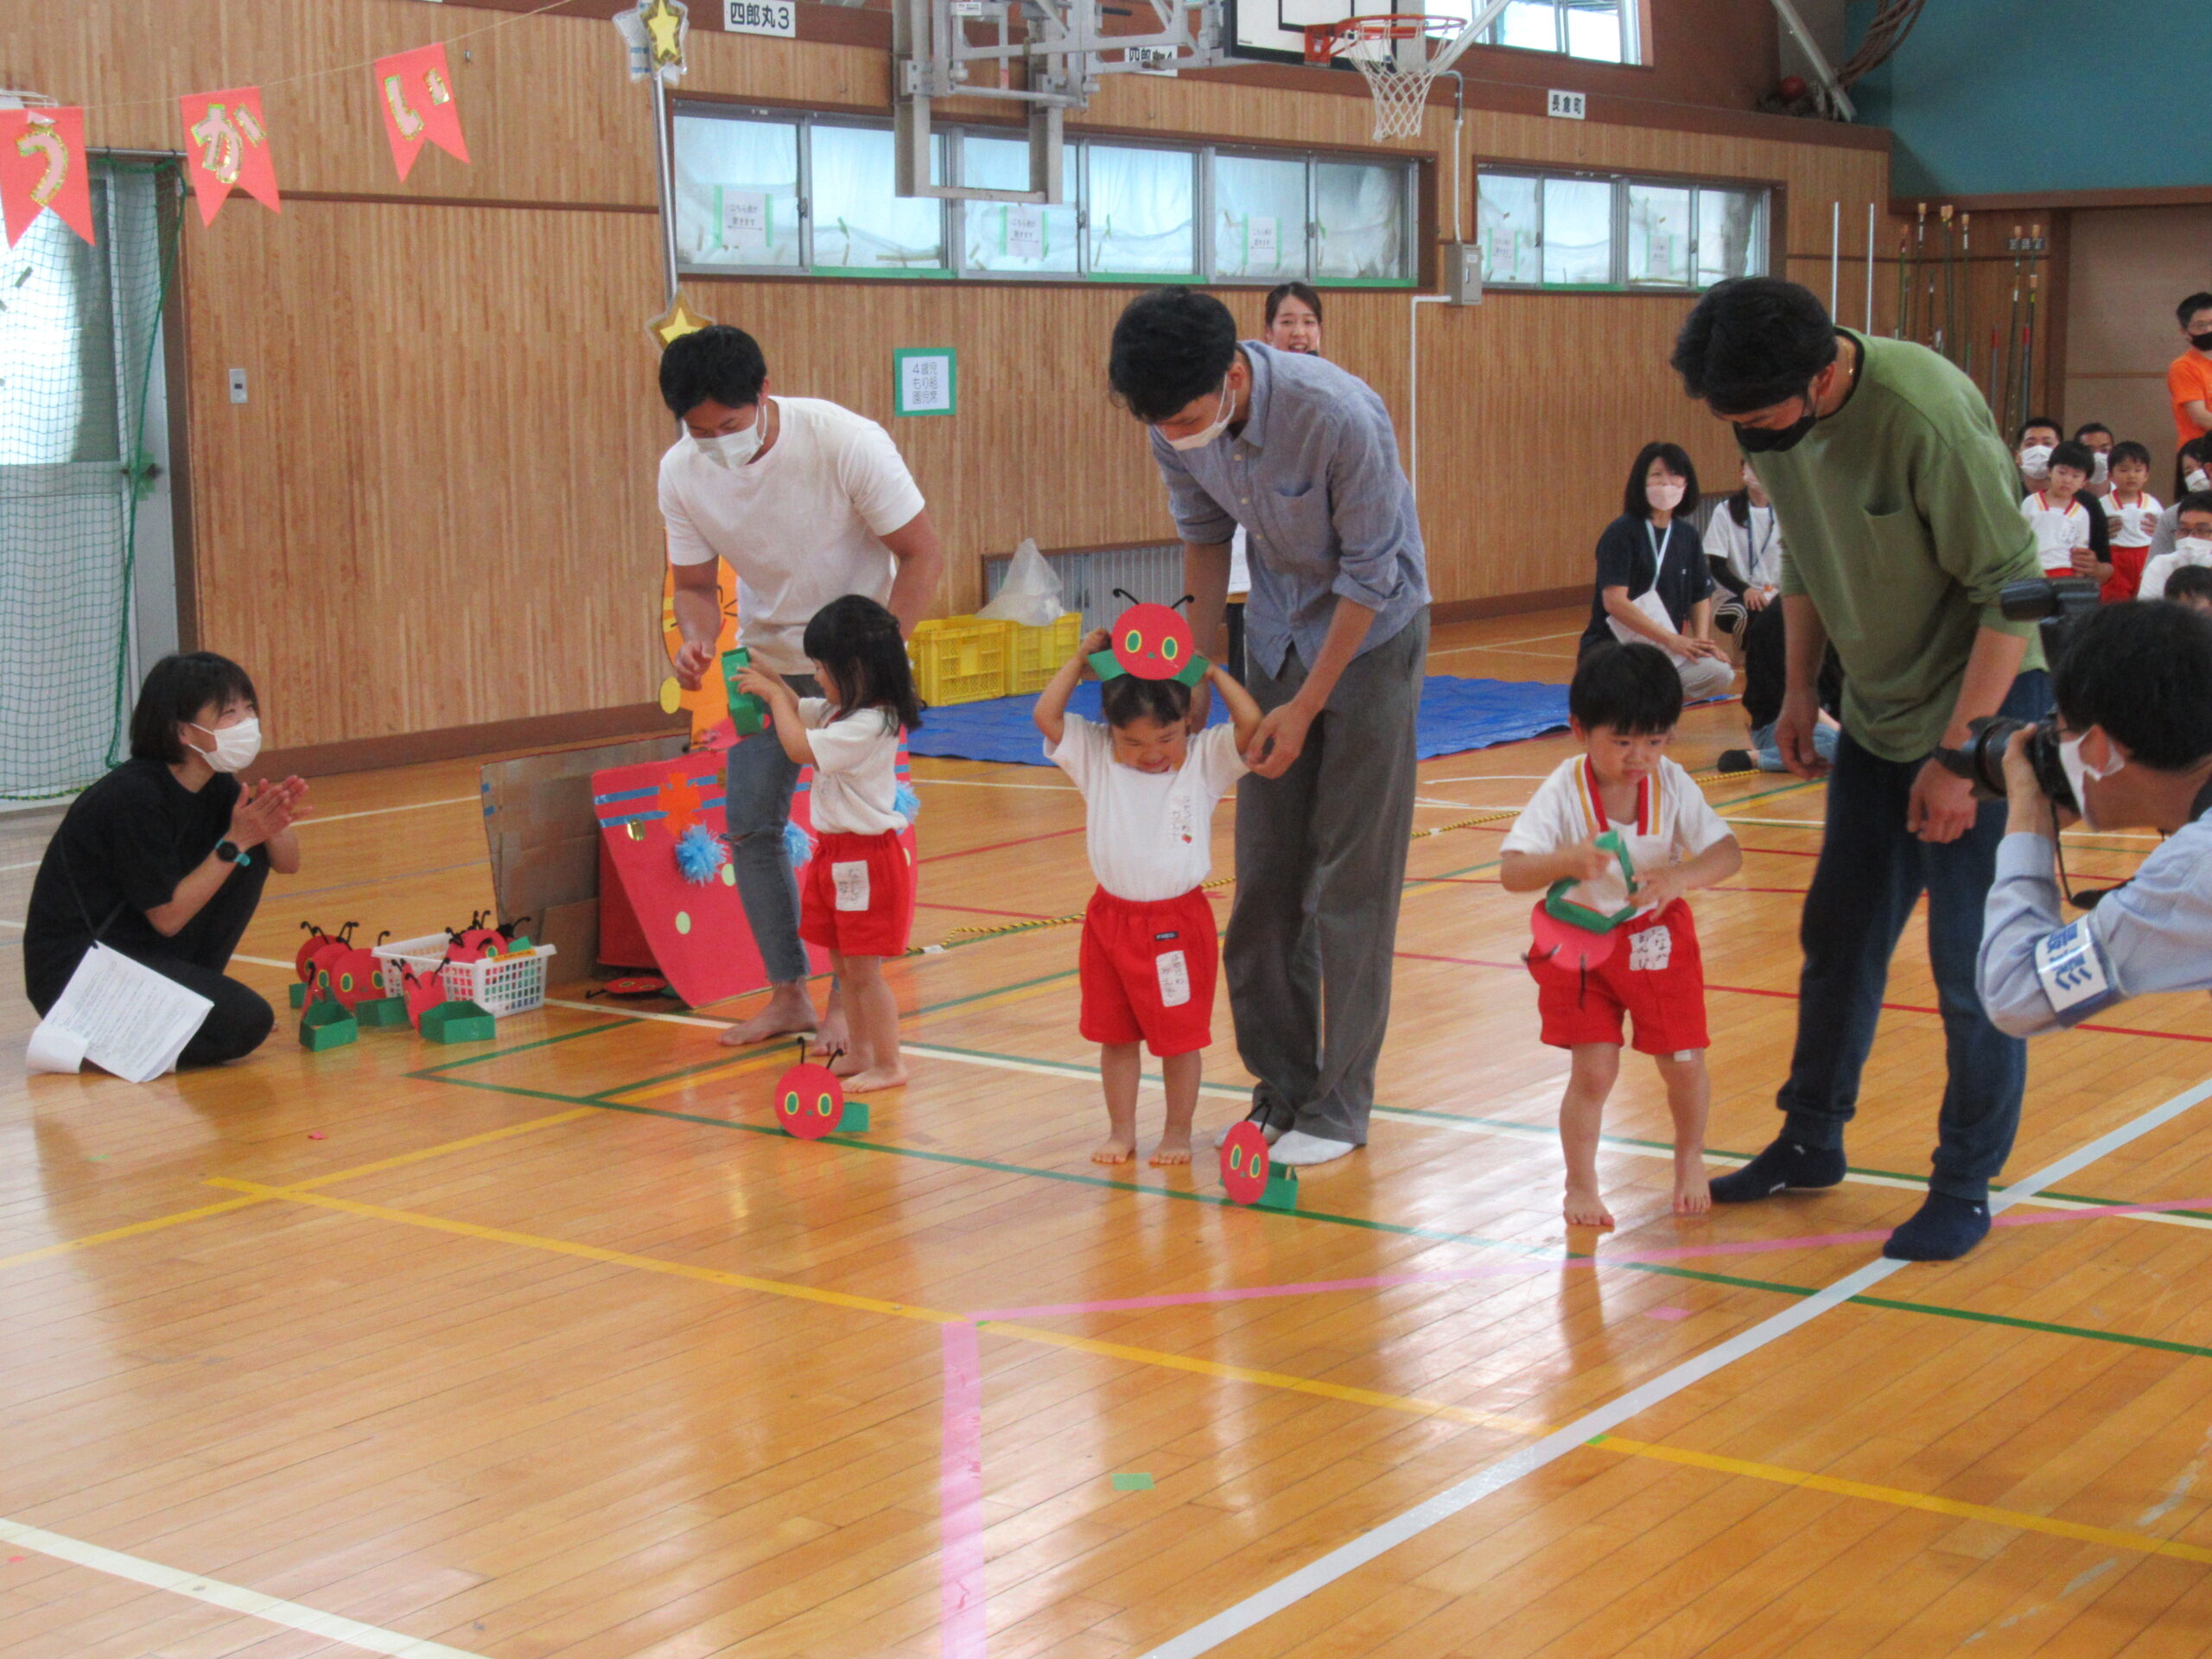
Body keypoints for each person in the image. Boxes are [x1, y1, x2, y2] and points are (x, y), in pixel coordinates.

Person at [1672, 276, 2050, 1262]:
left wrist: (1962, 757)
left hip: (1991, 711)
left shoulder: (1925, 416)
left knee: (1975, 969)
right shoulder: (1771, 419)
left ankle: (1963, 1181)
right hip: (1878, 718)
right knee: (1836, 939)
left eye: (1757, 417)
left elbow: (2018, 595)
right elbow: (1805, 552)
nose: (1749, 436)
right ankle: (1810, 1138)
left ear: (1825, 374)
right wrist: (1797, 689)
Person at [1109, 286, 1430, 1169]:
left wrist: (1305, 705)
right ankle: (1279, 1087)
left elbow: (1373, 576)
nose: (1174, 436)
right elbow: (1205, 539)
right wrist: (1198, 674)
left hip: (1372, 638)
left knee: (1351, 881)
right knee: (1265, 876)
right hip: (1278, 630)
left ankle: (1338, 1106)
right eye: (1158, 423)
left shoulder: (1336, 416)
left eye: (1185, 416)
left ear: (1230, 376)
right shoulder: (1169, 421)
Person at [658, 325, 944, 1052]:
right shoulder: (680, 472)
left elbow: (920, 552)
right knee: (751, 824)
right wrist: (698, 639)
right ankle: (788, 995)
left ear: (763, 392)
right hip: (766, 664)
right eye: (699, 431)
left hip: (852, 670)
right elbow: (693, 584)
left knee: (849, 835)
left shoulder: (844, 440)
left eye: (729, 425)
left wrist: (879, 665)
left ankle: (848, 1004)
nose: (716, 442)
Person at [1501, 643, 1742, 1229]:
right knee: (1594, 1072)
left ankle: (1689, 1157)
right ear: (1581, 729)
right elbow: (1511, 872)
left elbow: (1727, 852)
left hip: (1656, 940)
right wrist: (1565, 861)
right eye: (1624, 742)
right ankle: (1580, 1184)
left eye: (1655, 742)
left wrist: (1681, 877)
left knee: (1683, 1063)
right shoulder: (1563, 789)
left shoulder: (1673, 783)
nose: (1640, 757)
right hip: (1579, 945)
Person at [1032, 629, 1262, 1166]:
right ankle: (1122, 1131)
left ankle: (1178, 1132)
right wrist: (1080, 658)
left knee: (1179, 1039)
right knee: (1115, 1036)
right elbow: (1046, 717)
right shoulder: (1093, 754)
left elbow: (1251, 724)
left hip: (1175, 924)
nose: (1151, 754)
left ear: (1187, 723)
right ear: (1109, 733)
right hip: (1110, 921)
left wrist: (1210, 673)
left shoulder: (1203, 759)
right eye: (1132, 742)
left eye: (1165, 738)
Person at [22, 653, 308, 1068]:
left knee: (249, 856)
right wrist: (236, 841)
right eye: (229, 713)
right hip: (79, 974)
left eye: (249, 710)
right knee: (247, 1022)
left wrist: (272, 821)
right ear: (181, 730)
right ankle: (93, 1037)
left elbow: (289, 863)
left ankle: (190, 1003)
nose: (245, 723)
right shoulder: (133, 797)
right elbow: (168, 917)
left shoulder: (217, 785)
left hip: (141, 953)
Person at [1979, 601, 2212, 1037]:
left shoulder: (2192, 871)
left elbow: (2015, 994)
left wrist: (2030, 824)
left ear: (2097, 747)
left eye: (2061, 734)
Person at [735, 595, 922, 1093]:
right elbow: (803, 708)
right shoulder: (843, 712)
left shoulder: (869, 724)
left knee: (864, 973)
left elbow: (798, 745)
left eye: (821, 667)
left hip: (868, 861)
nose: (816, 676)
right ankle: (862, 1051)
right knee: (844, 964)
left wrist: (775, 700)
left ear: (855, 668)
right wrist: (776, 681)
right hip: (837, 856)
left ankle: (889, 1061)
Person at [1578, 442, 1734, 703]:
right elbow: (1614, 601)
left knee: (1720, 674)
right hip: (1616, 647)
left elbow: (1700, 595)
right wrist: (1672, 640)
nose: (1666, 483)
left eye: (1675, 476)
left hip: (1666, 650)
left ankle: (1647, 703)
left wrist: (1701, 642)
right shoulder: (1621, 532)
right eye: (1657, 475)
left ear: (1687, 483)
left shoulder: (1687, 535)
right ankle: (1643, 703)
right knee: (1623, 680)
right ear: (1642, 481)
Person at [1224, 283, 1327, 680]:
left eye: (1308, 322)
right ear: (1268, 332)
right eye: (1287, 322)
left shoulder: (1332, 391)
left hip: (1313, 552)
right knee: (1254, 674)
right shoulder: (1244, 389)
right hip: (1256, 546)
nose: (1298, 332)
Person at [1703, 460, 1783, 652]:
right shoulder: (1725, 511)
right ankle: (1745, 663)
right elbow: (1717, 567)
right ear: (1742, 472)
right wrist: (1746, 591)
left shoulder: (1784, 512)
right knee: (1749, 614)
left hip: (1774, 593)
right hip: (1733, 597)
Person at [2019, 438, 2109, 583]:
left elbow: (2080, 553)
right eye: (2062, 472)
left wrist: (2078, 585)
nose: (2067, 480)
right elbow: (2020, 540)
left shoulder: (2082, 513)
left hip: (2066, 575)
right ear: (2049, 471)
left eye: (2076, 475)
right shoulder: (2030, 503)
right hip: (2033, 572)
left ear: (2084, 482)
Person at [2099, 442, 2160, 601]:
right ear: (2110, 475)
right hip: (2116, 557)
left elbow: (2164, 531)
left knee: (2146, 599)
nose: (2131, 475)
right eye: (2124, 470)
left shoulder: (2153, 504)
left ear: (2146, 475)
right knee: (2115, 602)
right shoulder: (2102, 504)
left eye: (2138, 470)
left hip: (2145, 555)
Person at [2142, 438, 2212, 566]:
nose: (2197, 475)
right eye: (2188, 472)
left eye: (2200, 467)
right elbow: (2152, 569)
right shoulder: (2171, 517)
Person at [2167, 291, 2212, 491]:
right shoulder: (2183, 366)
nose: (2209, 330)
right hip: (2198, 457)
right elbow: (2200, 417)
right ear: (2185, 332)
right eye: (2200, 326)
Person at [2139, 492, 2212, 600]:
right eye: (2183, 530)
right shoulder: (2161, 566)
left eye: (2201, 530)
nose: (2190, 537)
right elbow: (2148, 611)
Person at [2015, 416, 2063, 492]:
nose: (2039, 450)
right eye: (2030, 444)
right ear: (2018, 456)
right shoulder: (2006, 496)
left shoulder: (2081, 500)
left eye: (2047, 443)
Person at [2073, 422, 2114, 495]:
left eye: (2105, 450)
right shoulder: (2067, 497)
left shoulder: (2125, 497)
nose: (2098, 457)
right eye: (2090, 451)